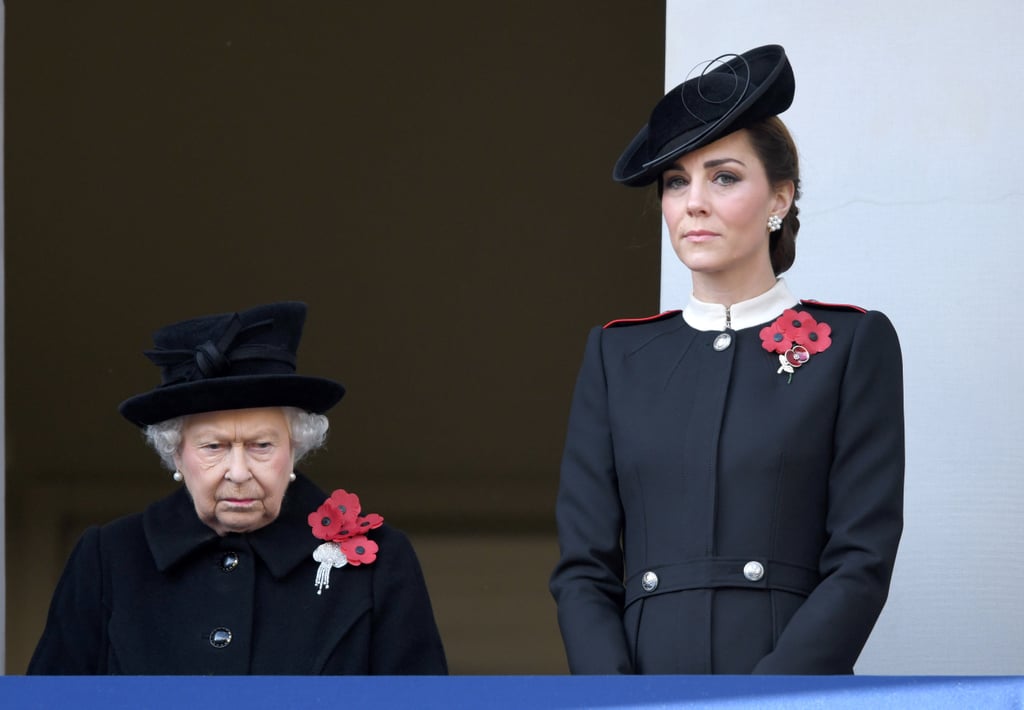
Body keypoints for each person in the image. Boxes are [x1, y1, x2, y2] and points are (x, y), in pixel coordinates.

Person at [549, 45, 904, 675]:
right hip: (643, 685)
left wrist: (769, 698)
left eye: (725, 176)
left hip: (787, 685)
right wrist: (618, 699)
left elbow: (861, 560)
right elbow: (583, 569)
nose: (694, 203)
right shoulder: (617, 353)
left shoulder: (853, 344)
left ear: (780, 199)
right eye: (676, 182)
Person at [29, 301, 448, 675]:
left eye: (261, 445)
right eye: (214, 447)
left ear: (295, 449)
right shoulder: (109, 558)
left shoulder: (378, 563)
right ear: (177, 454)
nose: (238, 471)